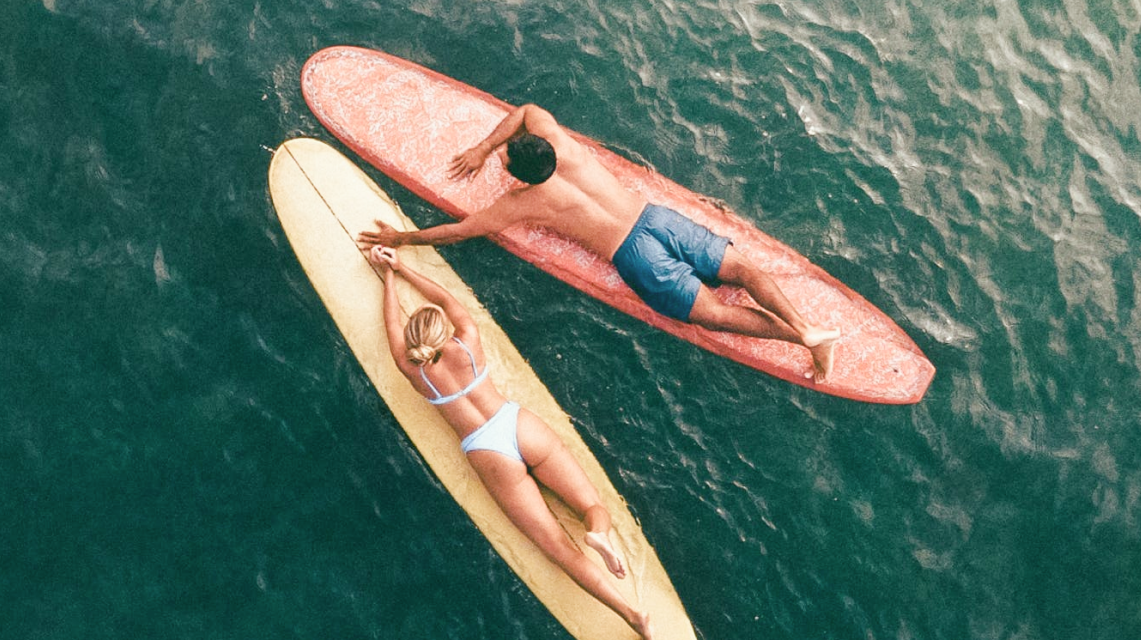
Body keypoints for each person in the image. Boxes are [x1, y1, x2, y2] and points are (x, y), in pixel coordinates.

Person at [358, 103, 842, 382]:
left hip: (637, 256)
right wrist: (488, 147)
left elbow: (459, 232)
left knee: (715, 315)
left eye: (503, 158)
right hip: (659, 220)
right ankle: (806, 323)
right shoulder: (561, 145)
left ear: (517, 175)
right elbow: (526, 110)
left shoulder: (520, 204)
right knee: (740, 270)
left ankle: (803, 338)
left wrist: (400, 237)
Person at [367, 245, 653, 639]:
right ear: (443, 332)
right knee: (590, 505)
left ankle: (632, 616)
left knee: (556, 546)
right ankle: (598, 533)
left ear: (417, 346)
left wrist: (387, 282)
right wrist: (401, 267)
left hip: (488, 452)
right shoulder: (467, 341)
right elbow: (446, 299)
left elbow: (394, 332)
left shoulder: (415, 372)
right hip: (517, 424)